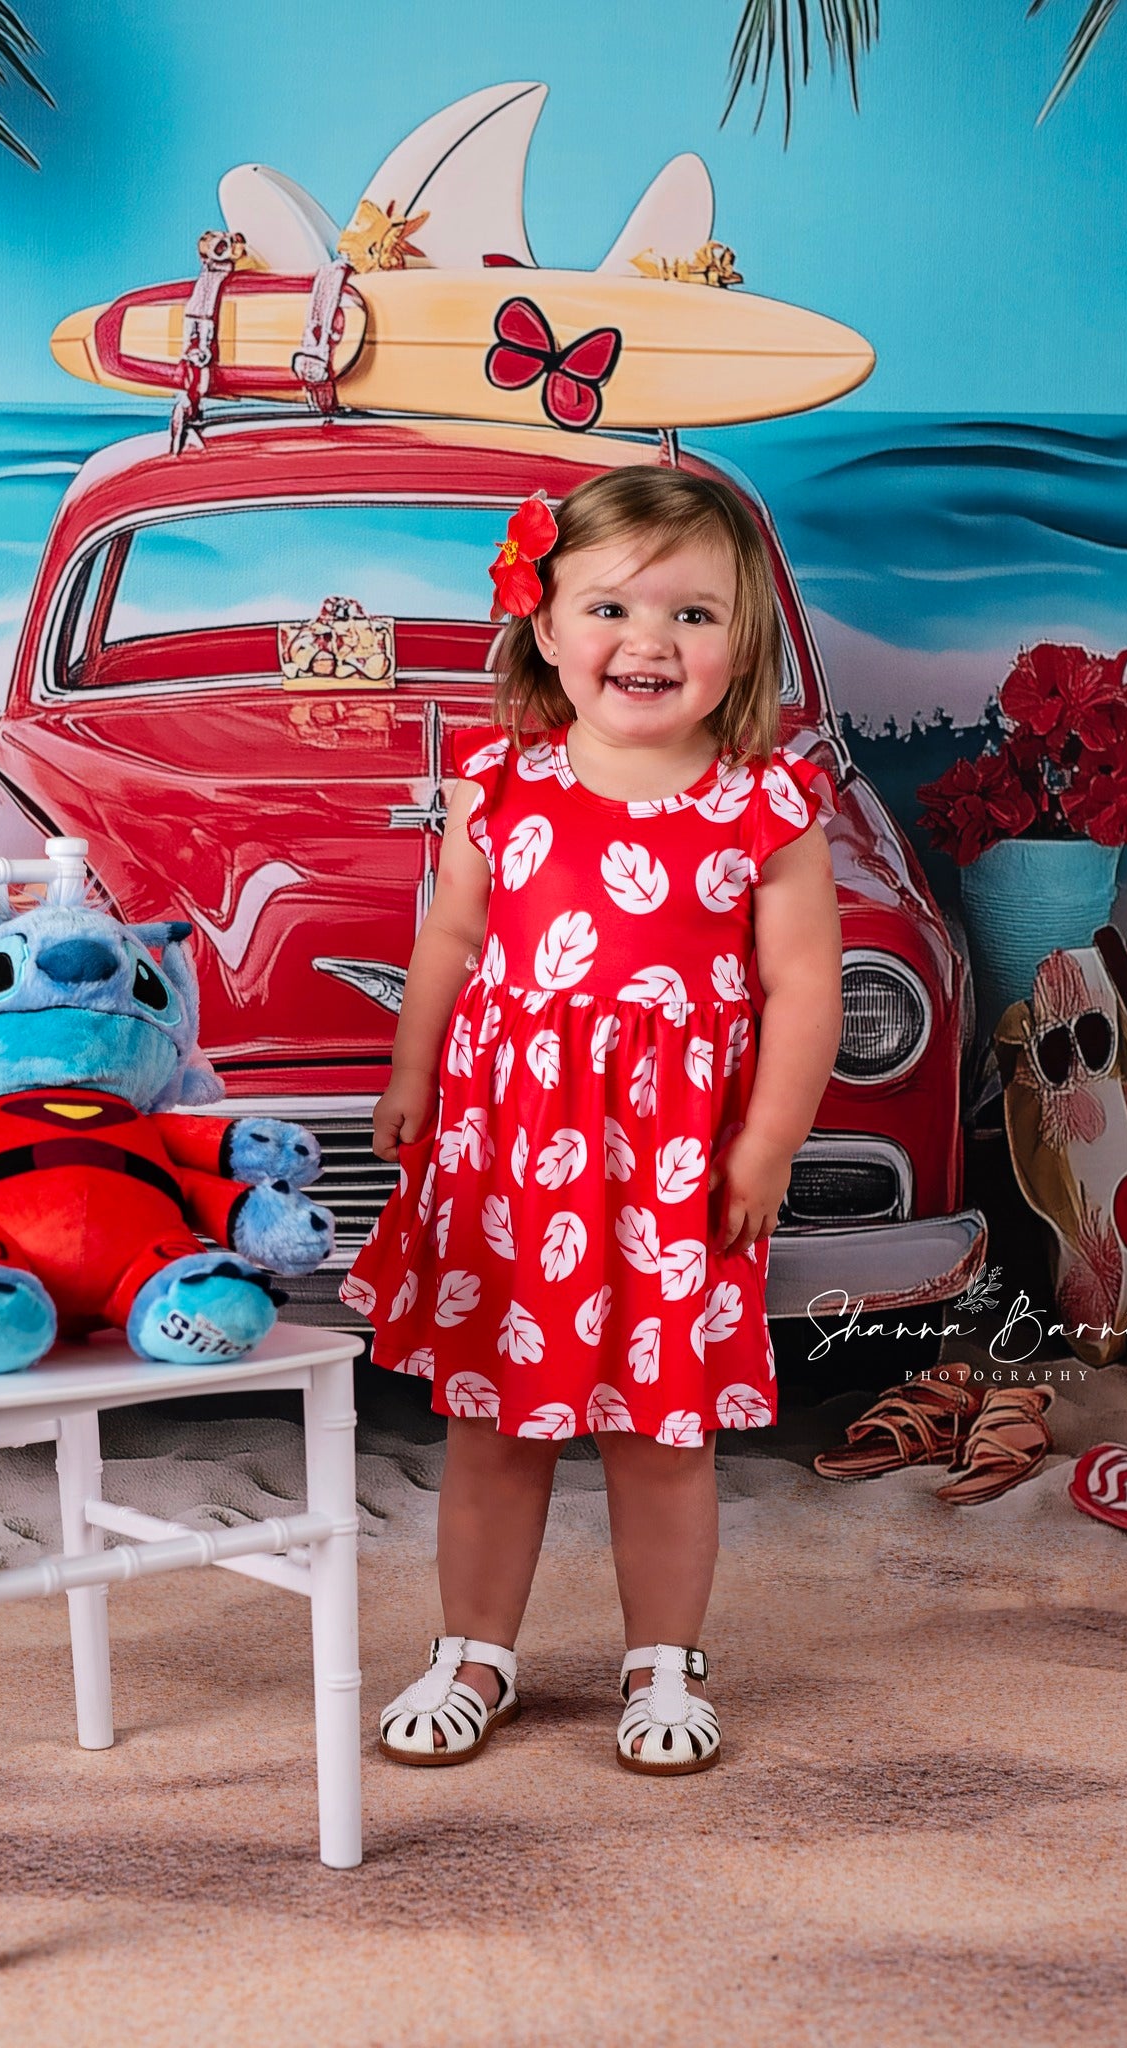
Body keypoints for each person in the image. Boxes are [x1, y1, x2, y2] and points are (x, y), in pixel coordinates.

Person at [340, 465, 844, 1775]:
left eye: (694, 615)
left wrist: (767, 1143)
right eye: (613, 608)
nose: (650, 642)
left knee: (660, 1435)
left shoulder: (763, 805)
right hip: (513, 1161)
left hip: (676, 1169)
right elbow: (447, 940)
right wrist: (412, 1075)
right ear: (545, 626)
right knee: (491, 1426)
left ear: (744, 647)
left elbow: (802, 991)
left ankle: (664, 1661)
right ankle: (474, 1650)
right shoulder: (500, 786)